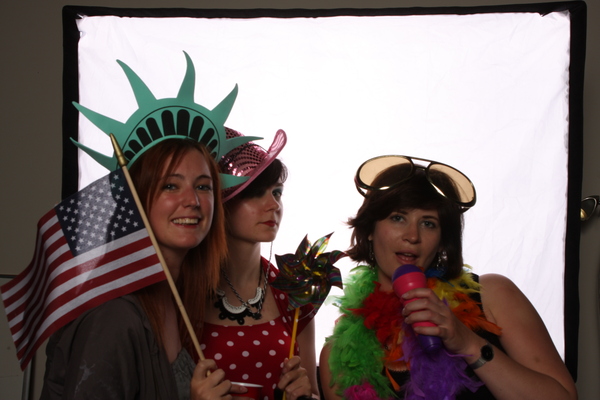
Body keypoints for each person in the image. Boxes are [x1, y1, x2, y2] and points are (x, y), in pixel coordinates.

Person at [40, 52, 256, 400]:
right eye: (170, 185)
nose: (193, 200)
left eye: (203, 186)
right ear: (136, 200)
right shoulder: (112, 315)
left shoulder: (174, 299)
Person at [319, 155, 578, 400]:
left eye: (428, 223)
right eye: (398, 218)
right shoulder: (340, 355)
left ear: (443, 240)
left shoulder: (493, 296)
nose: (413, 235)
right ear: (370, 230)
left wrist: (468, 343)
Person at [199, 127, 318, 400]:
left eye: (277, 192)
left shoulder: (295, 293)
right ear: (219, 201)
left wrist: (306, 396)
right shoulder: (182, 290)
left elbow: (312, 391)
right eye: (254, 193)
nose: (273, 204)